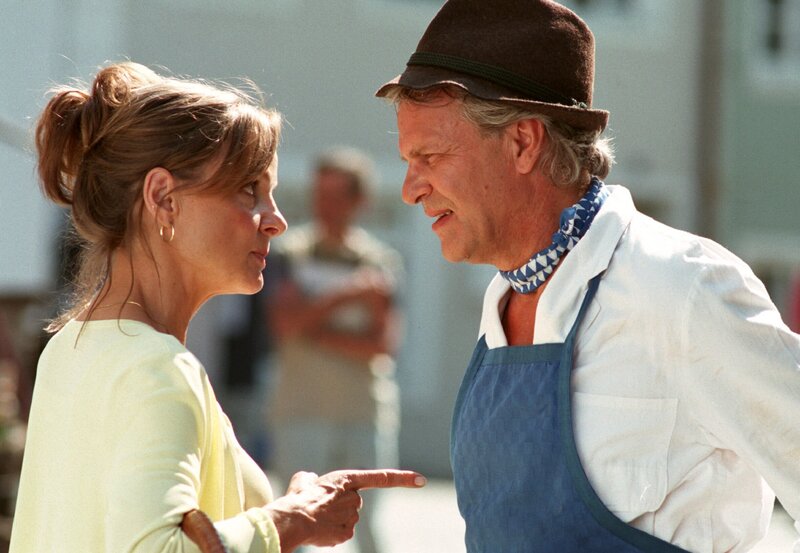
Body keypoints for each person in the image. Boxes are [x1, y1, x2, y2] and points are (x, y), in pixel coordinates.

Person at [375, 1, 800, 552]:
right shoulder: (504, 301)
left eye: (430, 156)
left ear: (523, 142)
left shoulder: (680, 287)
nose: (410, 189)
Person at [10, 61, 425, 553]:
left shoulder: (70, 347)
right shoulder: (158, 370)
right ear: (163, 198)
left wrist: (283, 513)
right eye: (249, 190)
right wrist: (295, 519)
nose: (276, 220)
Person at [267, 147, 402, 553]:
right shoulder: (290, 254)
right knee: (296, 528)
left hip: (362, 413)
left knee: (370, 529)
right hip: (301, 411)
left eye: (336, 195)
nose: (324, 205)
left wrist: (313, 328)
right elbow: (284, 325)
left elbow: (381, 345)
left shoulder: (380, 262)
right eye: (319, 194)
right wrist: (347, 296)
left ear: (360, 201)